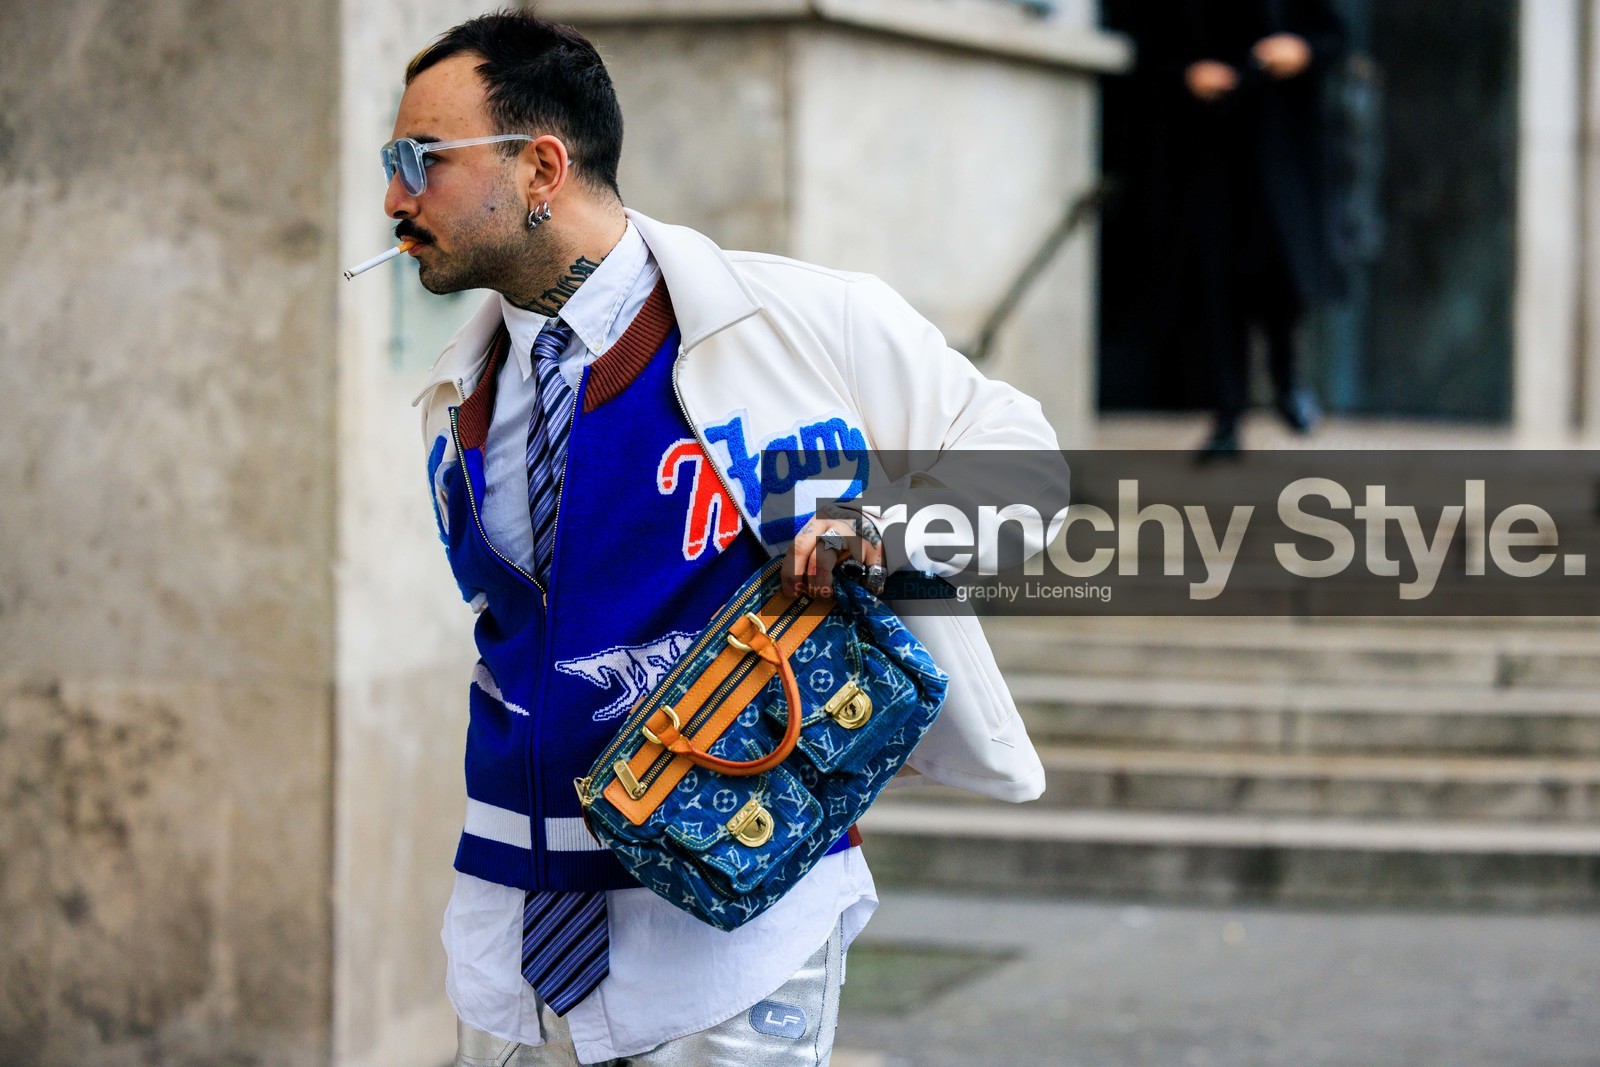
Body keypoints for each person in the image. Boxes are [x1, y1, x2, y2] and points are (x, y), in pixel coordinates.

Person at [391, 12, 1067, 1065]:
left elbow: (1026, 461)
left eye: (420, 160)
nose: (394, 196)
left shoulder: (799, 319)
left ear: (540, 167)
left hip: (740, 906)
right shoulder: (464, 385)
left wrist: (880, 529)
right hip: (516, 924)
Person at [1165, 0, 1348, 459]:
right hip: (1212, 152)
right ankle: (1228, 416)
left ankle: (1286, 379)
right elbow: (1154, 41)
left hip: (1281, 150)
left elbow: (1335, 36)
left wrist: (1300, 51)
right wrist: (1190, 73)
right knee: (1218, 284)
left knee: (1279, 277)